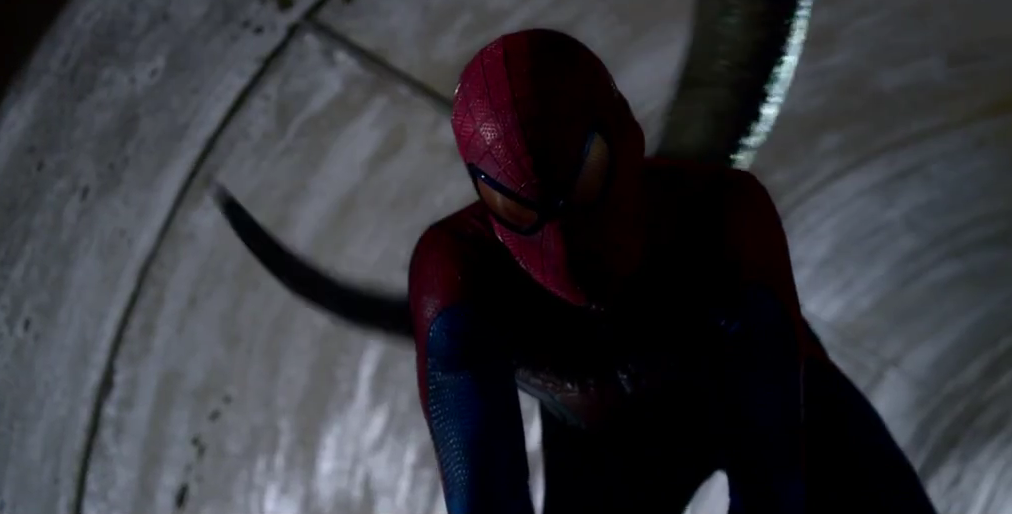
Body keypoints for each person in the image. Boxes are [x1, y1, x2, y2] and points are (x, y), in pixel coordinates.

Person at [216, 28, 938, 514]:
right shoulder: (460, 273)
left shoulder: (723, 217)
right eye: (520, 205)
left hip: (764, 413)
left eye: (583, 179)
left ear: (624, 138)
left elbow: (773, 458)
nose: (563, 241)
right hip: (609, 449)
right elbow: (486, 496)